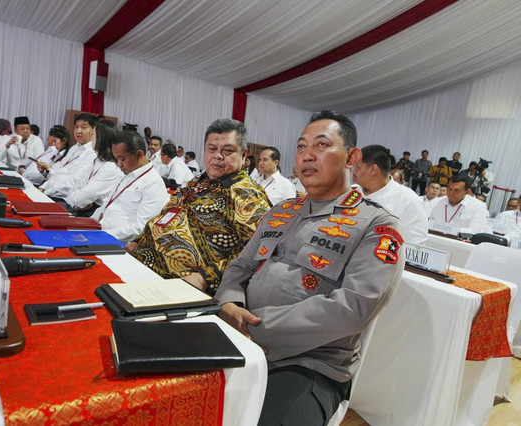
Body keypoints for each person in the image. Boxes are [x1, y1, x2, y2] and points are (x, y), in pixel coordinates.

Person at [215, 110, 404, 426]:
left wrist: (255, 326)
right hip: (236, 334)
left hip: (309, 364)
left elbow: (354, 307)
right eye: (301, 147)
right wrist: (229, 303)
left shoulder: (377, 225)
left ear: (351, 157)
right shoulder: (282, 210)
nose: (307, 156)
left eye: (321, 145)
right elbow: (243, 264)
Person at [127, 118, 271, 296]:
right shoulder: (197, 181)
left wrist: (205, 278)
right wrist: (137, 241)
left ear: (243, 155)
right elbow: (166, 214)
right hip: (138, 262)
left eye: (227, 151)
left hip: (177, 285)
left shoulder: (248, 195)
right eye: (212, 149)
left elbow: (257, 252)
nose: (218, 156)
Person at [92, 131, 169, 243]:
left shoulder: (153, 183)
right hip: (99, 232)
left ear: (139, 155)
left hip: (116, 242)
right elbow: (105, 207)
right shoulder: (124, 175)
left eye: (122, 159)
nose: (119, 164)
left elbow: (141, 227)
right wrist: (88, 225)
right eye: (116, 159)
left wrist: (102, 236)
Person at [353, 144, 428, 244]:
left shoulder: (410, 201)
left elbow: (415, 246)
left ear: (373, 170)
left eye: (357, 167)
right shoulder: (351, 192)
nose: (354, 171)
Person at [63, 120, 123, 215]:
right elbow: (77, 185)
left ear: (101, 138)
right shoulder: (97, 160)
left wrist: (75, 200)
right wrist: (74, 202)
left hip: (94, 212)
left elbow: (85, 196)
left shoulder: (111, 167)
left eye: (93, 134)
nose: (91, 138)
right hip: (78, 207)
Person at [39, 113, 100, 197]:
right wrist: (43, 187)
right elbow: (58, 171)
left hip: (62, 197)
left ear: (94, 130)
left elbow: (75, 181)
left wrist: (45, 192)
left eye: (83, 127)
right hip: (49, 192)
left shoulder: (93, 153)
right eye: (76, 127)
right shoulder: (74, 148)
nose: (78, 131)